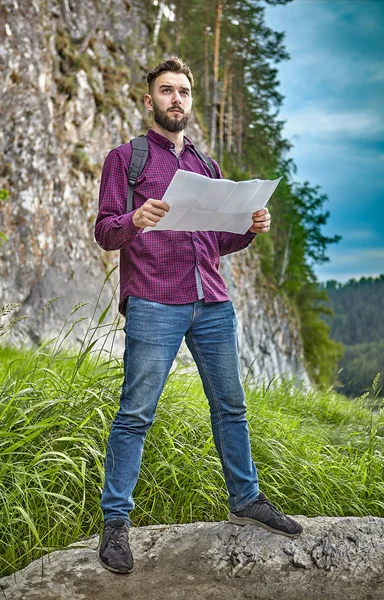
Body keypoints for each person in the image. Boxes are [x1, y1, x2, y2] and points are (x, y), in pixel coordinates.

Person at [95, 56, 302, 575]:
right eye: (166, 91)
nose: (176, 100)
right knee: (136, 412)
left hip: (211, 299)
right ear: (149, 100)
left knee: (230, 405)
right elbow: (104, 231)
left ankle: (246, 497)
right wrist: (134, 219)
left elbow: (217, 241)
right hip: (153, 298)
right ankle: (115, 522)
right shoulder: (127, 159)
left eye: (184, 91)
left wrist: (251, 227)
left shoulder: (207, 168)